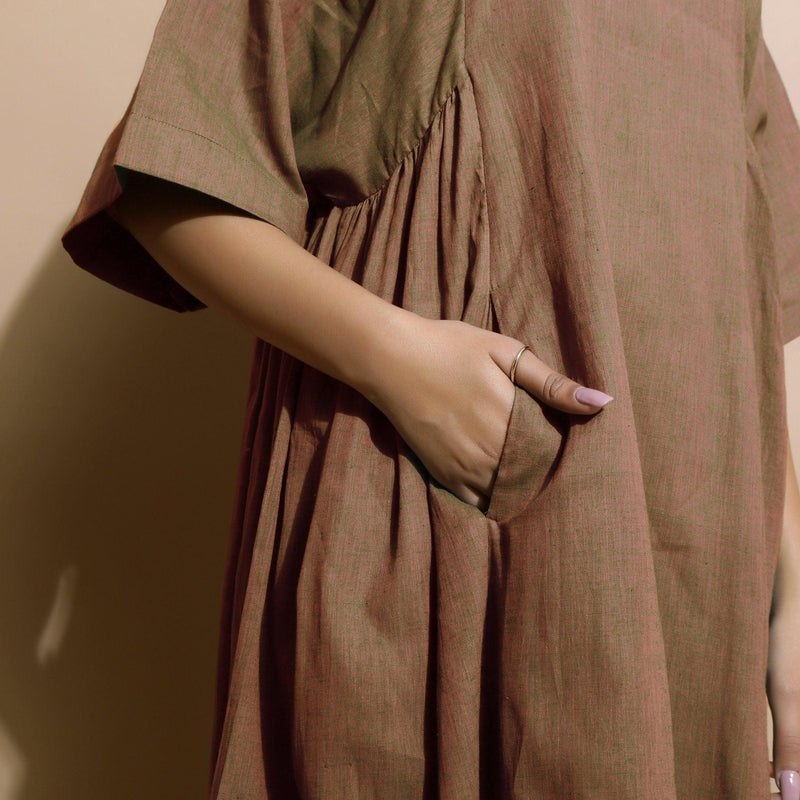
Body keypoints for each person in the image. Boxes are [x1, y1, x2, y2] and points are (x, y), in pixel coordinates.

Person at [62, 0, 800, 797]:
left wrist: (790, 607)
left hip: (695, 583)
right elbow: (168, 184)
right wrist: (404, 365)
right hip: (438, 523)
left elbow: (744, 305)